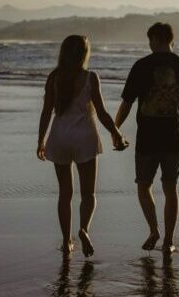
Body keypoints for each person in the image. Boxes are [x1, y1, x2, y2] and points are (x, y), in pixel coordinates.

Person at [37, 35, 128, 256]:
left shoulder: (54, 78)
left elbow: (46, 112)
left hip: (59, 138)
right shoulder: (90, 78)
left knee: (64, 194)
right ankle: (84, 229)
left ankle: (67, 241)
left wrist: (40, 140)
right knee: (88, 194)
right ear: (84, 54)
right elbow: (103, 113)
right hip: (84, 138)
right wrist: (117, 134)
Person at [115, 23, 179, 254]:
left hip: (148, 138)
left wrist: (115, 129)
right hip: (174, 137)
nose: (149, 44)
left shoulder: (141, 66)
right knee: (171, 188)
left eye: (150, 40)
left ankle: (154, 230)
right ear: (172, 39)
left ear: (155, 39)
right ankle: (169, 241)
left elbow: (127, 104)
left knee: (144, 186)